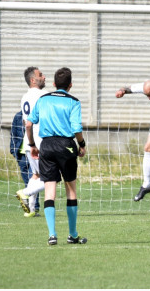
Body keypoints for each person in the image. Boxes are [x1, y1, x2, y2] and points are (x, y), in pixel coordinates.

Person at [26, 67, 87, 246]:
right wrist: (81, 145)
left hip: (46, 146)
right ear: (70, 85)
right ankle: (73, 234)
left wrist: (32, 145)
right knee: (71, 190)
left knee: (49, 192)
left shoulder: (43, 99)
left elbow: (29, 125)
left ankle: (52, 235)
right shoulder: (73, 102)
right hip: (65, 145)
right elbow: (76, 129)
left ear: (53, 84)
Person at [16, 67, 47, 218]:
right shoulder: (43, 94)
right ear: (33, 80)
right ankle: (25, 192)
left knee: (36, 175)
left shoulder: (24, 97)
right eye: (41, 75)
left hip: (28, 141)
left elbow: (24, 121)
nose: (44, 77)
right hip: (41, 142)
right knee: (52, 178)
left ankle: (31, 209)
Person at [9, 110, 38, 214]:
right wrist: (13, 150)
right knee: (28, 181)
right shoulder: (18, 116)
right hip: (21, 154)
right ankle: (30, 207)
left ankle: (34, 207)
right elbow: (13, 133)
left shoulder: (37, 114)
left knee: (35, 178)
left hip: (33, 152)